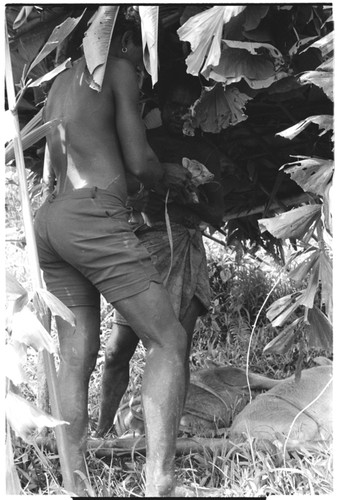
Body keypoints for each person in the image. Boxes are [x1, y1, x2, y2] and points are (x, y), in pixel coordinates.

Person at [34, 7, 191, 497]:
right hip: (92, 218)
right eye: (145, 58)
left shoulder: (61, 82)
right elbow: (140, 161)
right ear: (125, 39)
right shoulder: (117, 68)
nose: (143, 73)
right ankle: (161, 482)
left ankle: (74, 484)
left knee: (76, 355)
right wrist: (171, 176)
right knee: (167, 340)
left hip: (52, 220)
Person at [96, 69, 224, 436]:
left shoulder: (206, 152)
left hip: (185, 249)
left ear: (198, 110)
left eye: (188, 107)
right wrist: (153, 187)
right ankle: (103, 431)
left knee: (176, 352)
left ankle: (165, 436)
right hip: (146, 249)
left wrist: (189, 196)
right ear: (160, 105)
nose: (180, 113)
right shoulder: (145, 144)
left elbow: (217, 213)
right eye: (174, 105)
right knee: (118, 349)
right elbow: (125, 188)